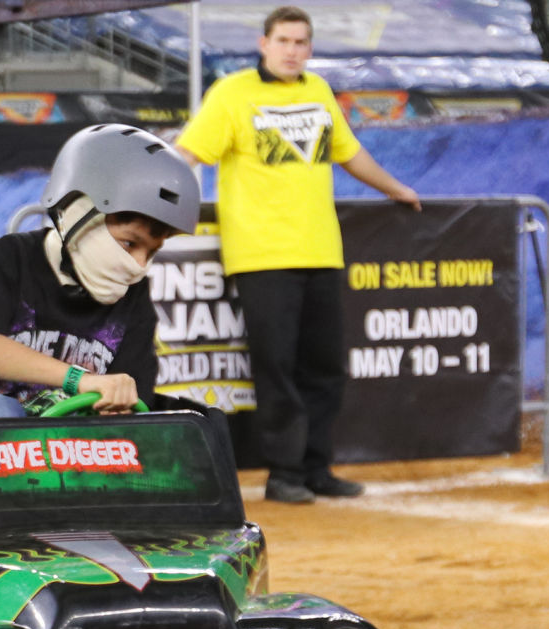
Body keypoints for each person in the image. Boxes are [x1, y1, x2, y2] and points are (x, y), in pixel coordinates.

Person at [175, 5, 420, 504]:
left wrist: (395, 189)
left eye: (301, 42)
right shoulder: (232, 93)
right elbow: (188, 153)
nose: (293, 51)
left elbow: (349, 153)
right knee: (277, 367)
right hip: (261, 254)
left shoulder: (318, 92)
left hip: (321, 249)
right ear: (264, 44)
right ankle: (283, 473)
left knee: (324, 365)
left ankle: (316, 467)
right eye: (284, 41)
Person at [0, 123, 199, 419]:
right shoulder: (9, 259)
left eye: (151, 252)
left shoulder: (132, 297)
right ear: (80, 211)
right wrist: (82, 380)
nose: (139, 266)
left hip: (63, 456)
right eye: (130, 243)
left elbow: (133, 399)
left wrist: (118, 408)